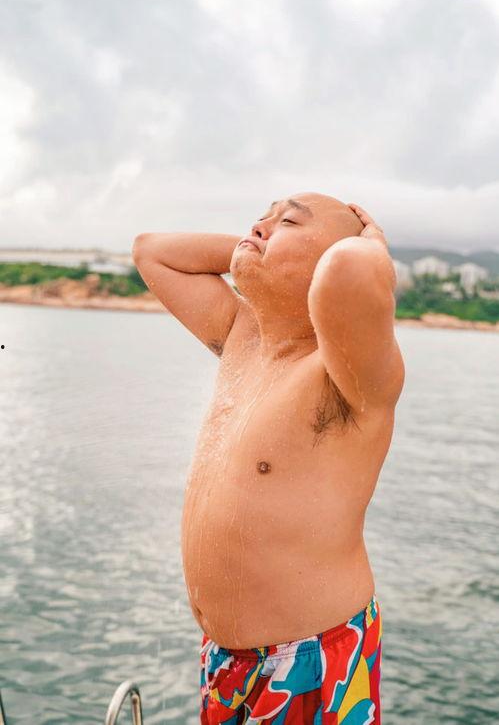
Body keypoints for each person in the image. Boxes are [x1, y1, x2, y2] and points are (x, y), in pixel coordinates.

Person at [132, 193, 405, 723]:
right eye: (262, 216)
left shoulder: (349, 375)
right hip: (225, 662)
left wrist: (370, 242)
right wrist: (256, 247)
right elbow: (151, 251)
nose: (259, 226)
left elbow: (349, 271)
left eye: (290, 220)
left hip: (311, 660)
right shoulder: (242, 337)